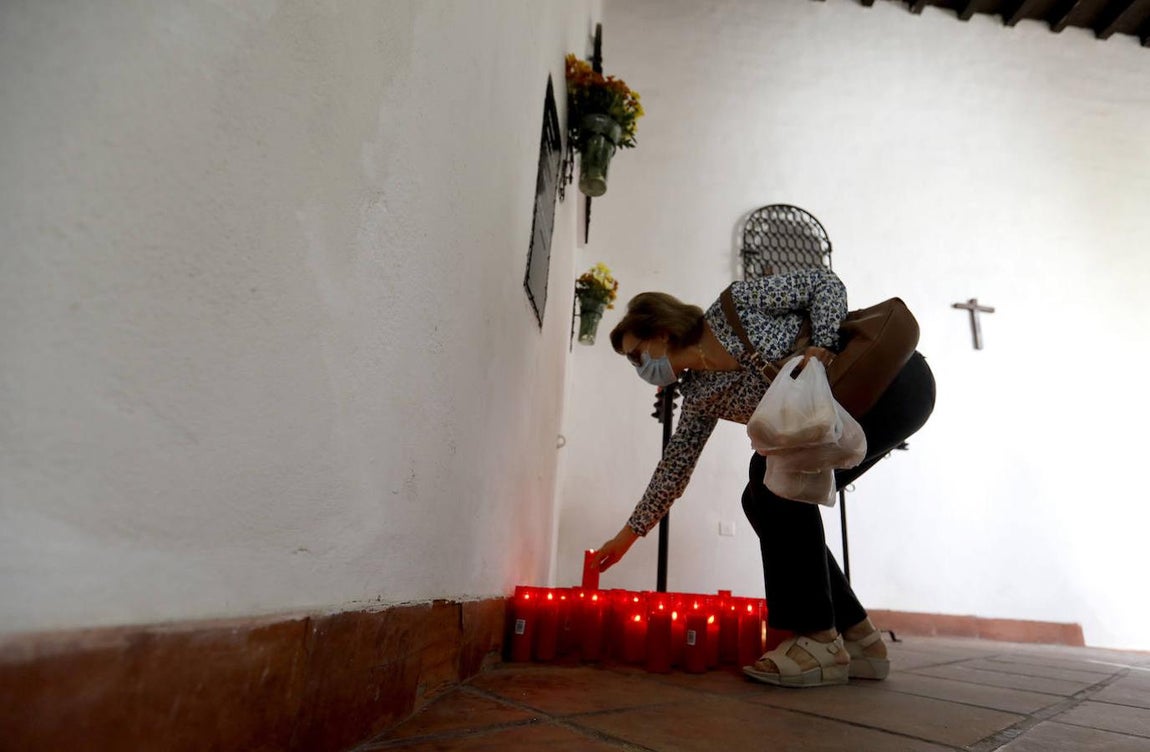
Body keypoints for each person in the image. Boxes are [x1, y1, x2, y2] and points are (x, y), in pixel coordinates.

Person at [593, 267, 935, 688]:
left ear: (661, 332)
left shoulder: (737, 306)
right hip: (846, 421)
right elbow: (676, 465)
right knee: (759, 497)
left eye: (636, 355)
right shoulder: (701, 391)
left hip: (895, 380)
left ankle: (817, 640)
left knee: (769, 478)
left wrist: (821, 346)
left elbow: (825, 285)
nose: (640, 367)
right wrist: (628, 535)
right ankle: (858, 637)